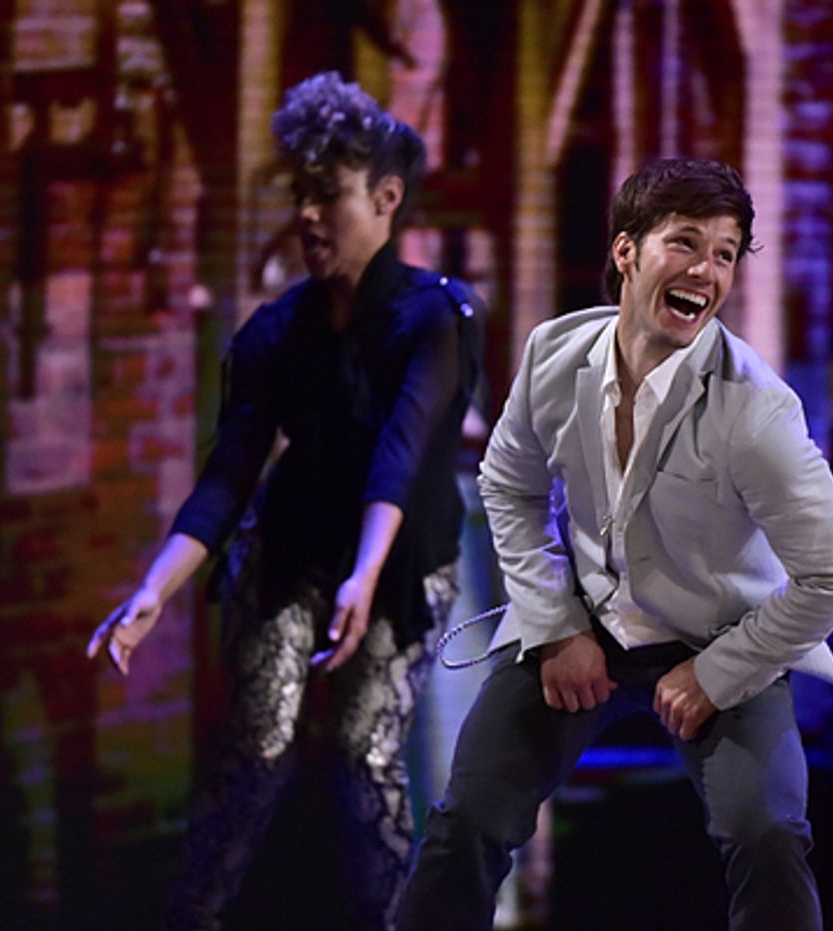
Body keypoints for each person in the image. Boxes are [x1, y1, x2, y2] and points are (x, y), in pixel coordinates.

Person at [396, 157, 833, 931]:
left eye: (724, 254)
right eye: (685, 243)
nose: (706, 271)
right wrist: (556, 625)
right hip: (583, 623)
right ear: (626, 250)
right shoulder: (555, 355)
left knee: (770, 835)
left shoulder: (755, 410)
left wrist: (718, 670)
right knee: (466, 819)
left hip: (720, 639)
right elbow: (508, 483)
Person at [86, 71, 480, 930]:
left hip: (402, 557)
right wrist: (155, 589)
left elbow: (401, 451)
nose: (306, 214)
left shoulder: (437, 319)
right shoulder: (273, 333)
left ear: (385, 199)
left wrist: (365, 574)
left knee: (363, 752)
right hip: (293, 549)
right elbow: (227, 476)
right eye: (300, 194)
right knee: (258, 747)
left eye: (327, 194)